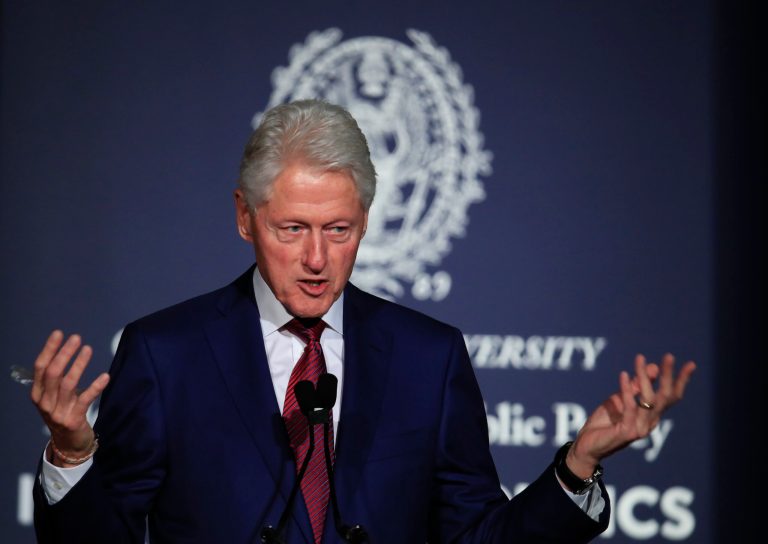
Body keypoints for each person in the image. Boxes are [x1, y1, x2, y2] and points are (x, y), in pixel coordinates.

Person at [30, 99, 695, 544]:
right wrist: (71, 454)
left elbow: (478, 537)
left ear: (366, 223)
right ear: (244, 218)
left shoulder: (428, 358)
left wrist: (577, 465)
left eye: (339, 230)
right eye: (293, 229)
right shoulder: (166, 353)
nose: (317, 259)